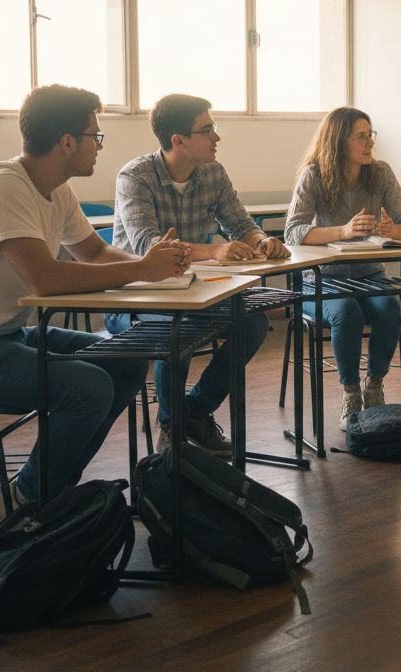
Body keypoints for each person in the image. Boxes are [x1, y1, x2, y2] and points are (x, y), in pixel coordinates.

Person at [0, 84, 189, 524]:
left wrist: (154, 265)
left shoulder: (55, 188)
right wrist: (142, 270)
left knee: (127, 360)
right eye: (96, 136)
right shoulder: (4, 186)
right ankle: (25, 502)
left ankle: (51, 491)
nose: (98, 146)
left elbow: (94, 254)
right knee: (88, 388)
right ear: (67, 142)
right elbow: (45, 279)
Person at [107, 93, 290, 457]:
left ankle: (194, 411)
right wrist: (214, 250)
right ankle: (171, 431)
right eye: (207, 130)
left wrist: (263, 240)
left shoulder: (213, 172)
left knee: (252, 323)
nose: (216, 137)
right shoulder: (135, 176)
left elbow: (240, 223)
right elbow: (148, 245)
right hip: (135, 295)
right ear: (179, 140)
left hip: (193, 290)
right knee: (177, 330)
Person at [284, 107, 401, 422]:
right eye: (361, 137)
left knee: (390, 308)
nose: (369, 143)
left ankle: (375, 386)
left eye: (370, 135)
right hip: (322, 278)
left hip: (369, 274)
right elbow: (292, 233)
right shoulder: (313, 174)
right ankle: (351, 394)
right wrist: (343, 231)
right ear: (338, 141)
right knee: (347, 313)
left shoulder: (380, 172)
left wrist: (391, 230)